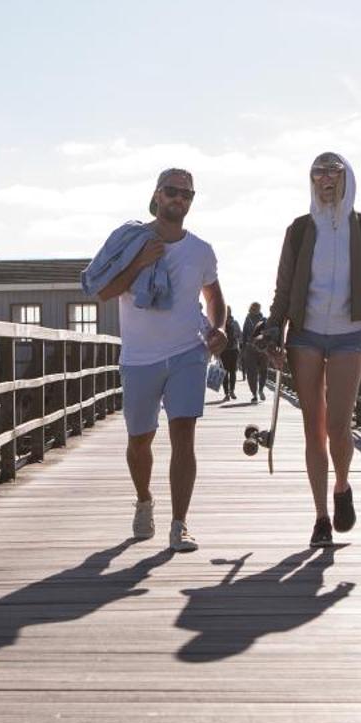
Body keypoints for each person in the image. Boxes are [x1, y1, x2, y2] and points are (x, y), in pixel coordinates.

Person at [83, 167, 226, 552]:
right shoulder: (133, 242)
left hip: (187, 353)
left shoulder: (201, 251)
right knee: (139, 439)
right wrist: (140, 262)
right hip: (140, 356)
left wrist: (219, 329)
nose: (179, 198)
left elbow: (213, 297)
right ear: (157, 195)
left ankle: (180, 524)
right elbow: (104, 291)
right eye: (172, 191)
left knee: (184, 436)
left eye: (187, 194)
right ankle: (144, 500)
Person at [265, 151, 361, 547]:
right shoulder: (300, 230)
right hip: (304, 334)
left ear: (346, 177)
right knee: (313, 429)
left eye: (333, 172)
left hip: (348, 334)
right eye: (318, 173)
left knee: (339, 427)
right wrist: (273, 329)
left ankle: (342, 486)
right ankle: (321, 516)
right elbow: (284, 286)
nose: (325, 179)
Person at [240, 301, 269, 401]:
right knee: (255, 371)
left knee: (259, 371)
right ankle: (256, 393)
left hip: (257, 348)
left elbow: (244, 336)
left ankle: (258, 391)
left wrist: (243, 349)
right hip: (256, 348)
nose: (255, 309)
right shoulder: (250, 319)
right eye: (254, 307)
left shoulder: (261, 320)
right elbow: (244, 335)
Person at [217, 303, 240, 402]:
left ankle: (227, 393)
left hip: (224, 350)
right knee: (231, 372)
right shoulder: (234, 323)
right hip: (233, 349)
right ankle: (231, 391)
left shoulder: (219, 323)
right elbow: (239, 335)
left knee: (226, 372)